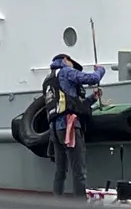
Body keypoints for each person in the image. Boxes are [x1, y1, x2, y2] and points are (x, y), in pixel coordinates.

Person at [43, 53, 105, 198]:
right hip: (69, 126)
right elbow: (92, 79)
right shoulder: (66, 72)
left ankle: (57, 201)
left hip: (55, 129)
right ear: (65, 60)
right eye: (72, 63)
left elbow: (71, 103)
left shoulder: (48, 80)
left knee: (60, 169)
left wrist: (92, 98)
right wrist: (100, 70)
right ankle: (80, 206)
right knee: (79, 169)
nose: (74, 68)